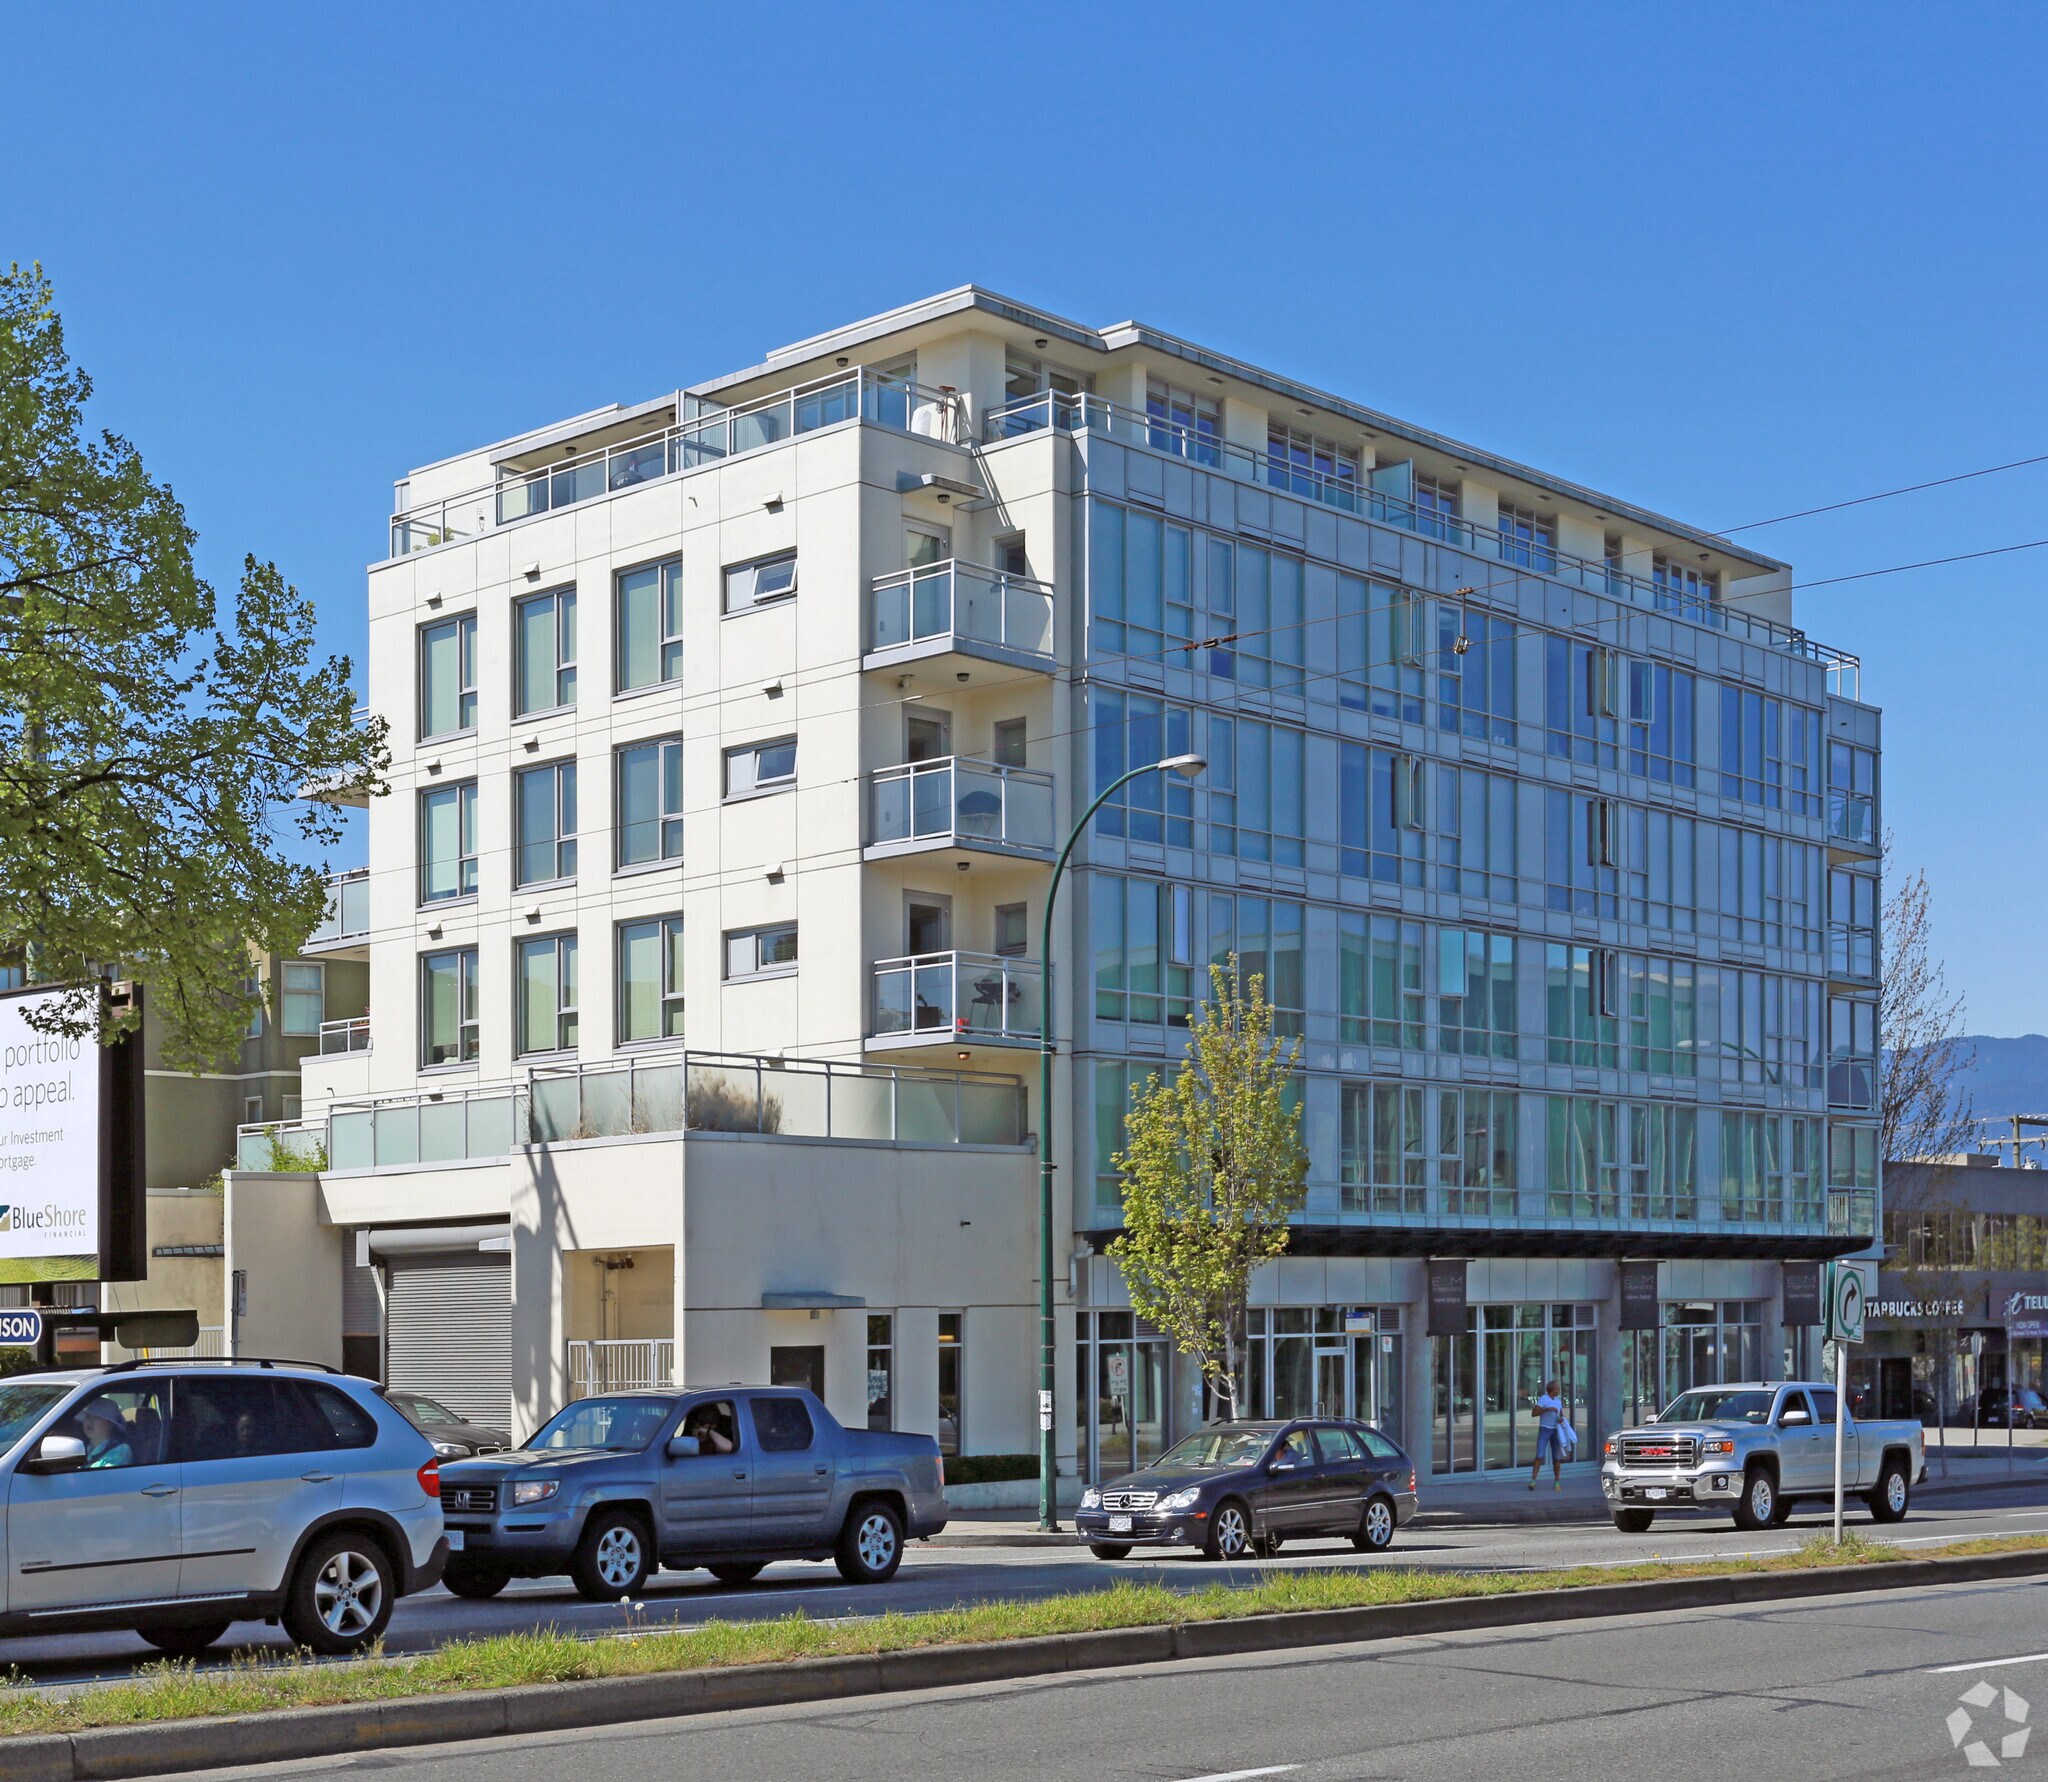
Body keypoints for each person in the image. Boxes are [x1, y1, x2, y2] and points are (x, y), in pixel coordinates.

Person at [1527, 1379, 1566, 1491]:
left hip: (1555, 1431)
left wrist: (1561, 1420)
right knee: (1539, 1456)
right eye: (1557, 1388)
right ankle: (1533, 1481)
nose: (1558, 1390)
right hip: (1544, 1429)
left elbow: (1561, 1415)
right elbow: (1534, 1413)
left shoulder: (1558, 1401)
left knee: (1556, 1458)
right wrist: (1547, 1409)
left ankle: (1557, 1482)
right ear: (1551, 1390)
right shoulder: (1544, 1399)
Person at [78, 1398, 134, 1470]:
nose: (89, 1421)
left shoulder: (122, 1450)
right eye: (88, 1416)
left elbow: (104, 1476)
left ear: (110, 1425)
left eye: (96, 1417)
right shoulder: (83, 1448)